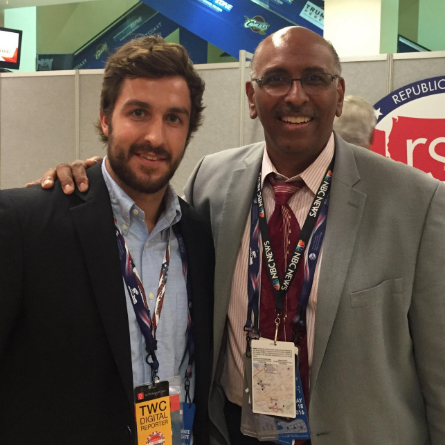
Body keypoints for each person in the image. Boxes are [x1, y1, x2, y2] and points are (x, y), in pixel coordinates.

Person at [35, 26, 445, 445]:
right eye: (276, 79)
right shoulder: (211, 181)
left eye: (315, 79)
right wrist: (89, 180)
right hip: (231, 431)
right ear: (252, 98)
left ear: (338, 95)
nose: (295, 95)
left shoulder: (416, 202)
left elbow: (440, 372)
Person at [0, 36, 214, 445]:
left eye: (174, 119)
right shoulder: (25, 224)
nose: (155, 136)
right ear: (105, 119)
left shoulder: (198, 234)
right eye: (138, 112)